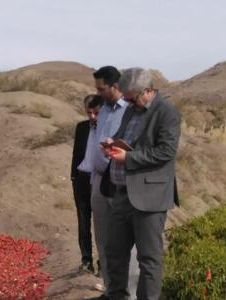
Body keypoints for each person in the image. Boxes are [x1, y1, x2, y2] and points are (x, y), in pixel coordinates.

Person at [102, 68, 181, 300]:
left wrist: (128, 158)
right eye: (126, 98)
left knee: (148, 259)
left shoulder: (167, 113)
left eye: (132, 98)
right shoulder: (131, 109)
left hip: (149, 197)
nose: (128, 102)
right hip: (121, 194)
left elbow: (166, 152)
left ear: (148, 90)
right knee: (114, 252)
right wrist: (113, 143)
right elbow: (127, 138)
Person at [87, 66, 128, 300]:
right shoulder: (103, 111)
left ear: (115, 86)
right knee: (102, 237)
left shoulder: (129, 110)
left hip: (119, 180)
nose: (98, 93)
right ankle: (111, 289)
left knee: (123, 240)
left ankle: (127, 292)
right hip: (99, 179)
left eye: (101, 88)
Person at [71, 94, 103, 273]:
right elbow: (76, 155)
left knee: (101, 223)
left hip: (99, 180)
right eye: (89, 112)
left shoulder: (108, 129)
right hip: (81, 178)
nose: (92, 116)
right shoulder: (81, 128)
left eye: (96, 113)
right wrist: (73, 177)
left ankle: (103, 263)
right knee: (83, 221)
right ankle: (86, 260)